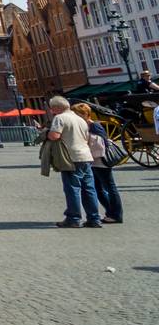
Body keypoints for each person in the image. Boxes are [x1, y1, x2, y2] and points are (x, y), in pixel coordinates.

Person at [44, 96, 100, 228]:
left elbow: (54, 136)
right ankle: (94, 218)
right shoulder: (80, 119)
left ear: (57, 108)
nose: (52, 111)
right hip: (85, 156)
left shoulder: (60, 118)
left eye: (52, 108)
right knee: (89, 189)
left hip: (71, 157)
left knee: (72, 189)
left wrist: (46, 133)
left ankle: (73, 218)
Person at [73, 103, 124, 225]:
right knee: (98, 188)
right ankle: (110, 212)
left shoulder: (94, 126)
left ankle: (116, 215)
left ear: (85, 114)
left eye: (78, 114)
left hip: (101, 161)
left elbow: (99, 145)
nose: (76, 117)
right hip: (93, 162)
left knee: (109, 187)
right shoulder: (86, 126)